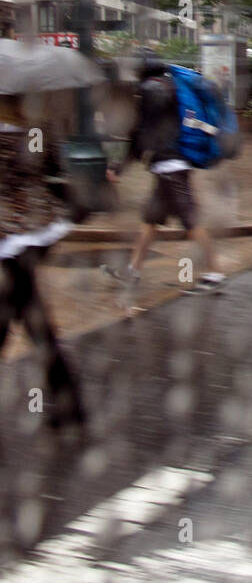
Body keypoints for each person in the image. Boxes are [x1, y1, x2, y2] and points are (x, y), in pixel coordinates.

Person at [102, 56, 224, 298]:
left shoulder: (149, 91)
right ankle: (132, 271)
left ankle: (215, 273)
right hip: (169, 165)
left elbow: (138, 134)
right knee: (150, 221)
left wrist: (118, 167)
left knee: (191, 221)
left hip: (170, 168)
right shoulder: (170, 87)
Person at [0, 94, 85, 429]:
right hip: (36, 230)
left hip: (8, 236)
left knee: (24, 318)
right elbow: (52, 167)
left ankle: (70, 404)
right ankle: (69, 404)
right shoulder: (37, 126)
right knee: (33, 320)